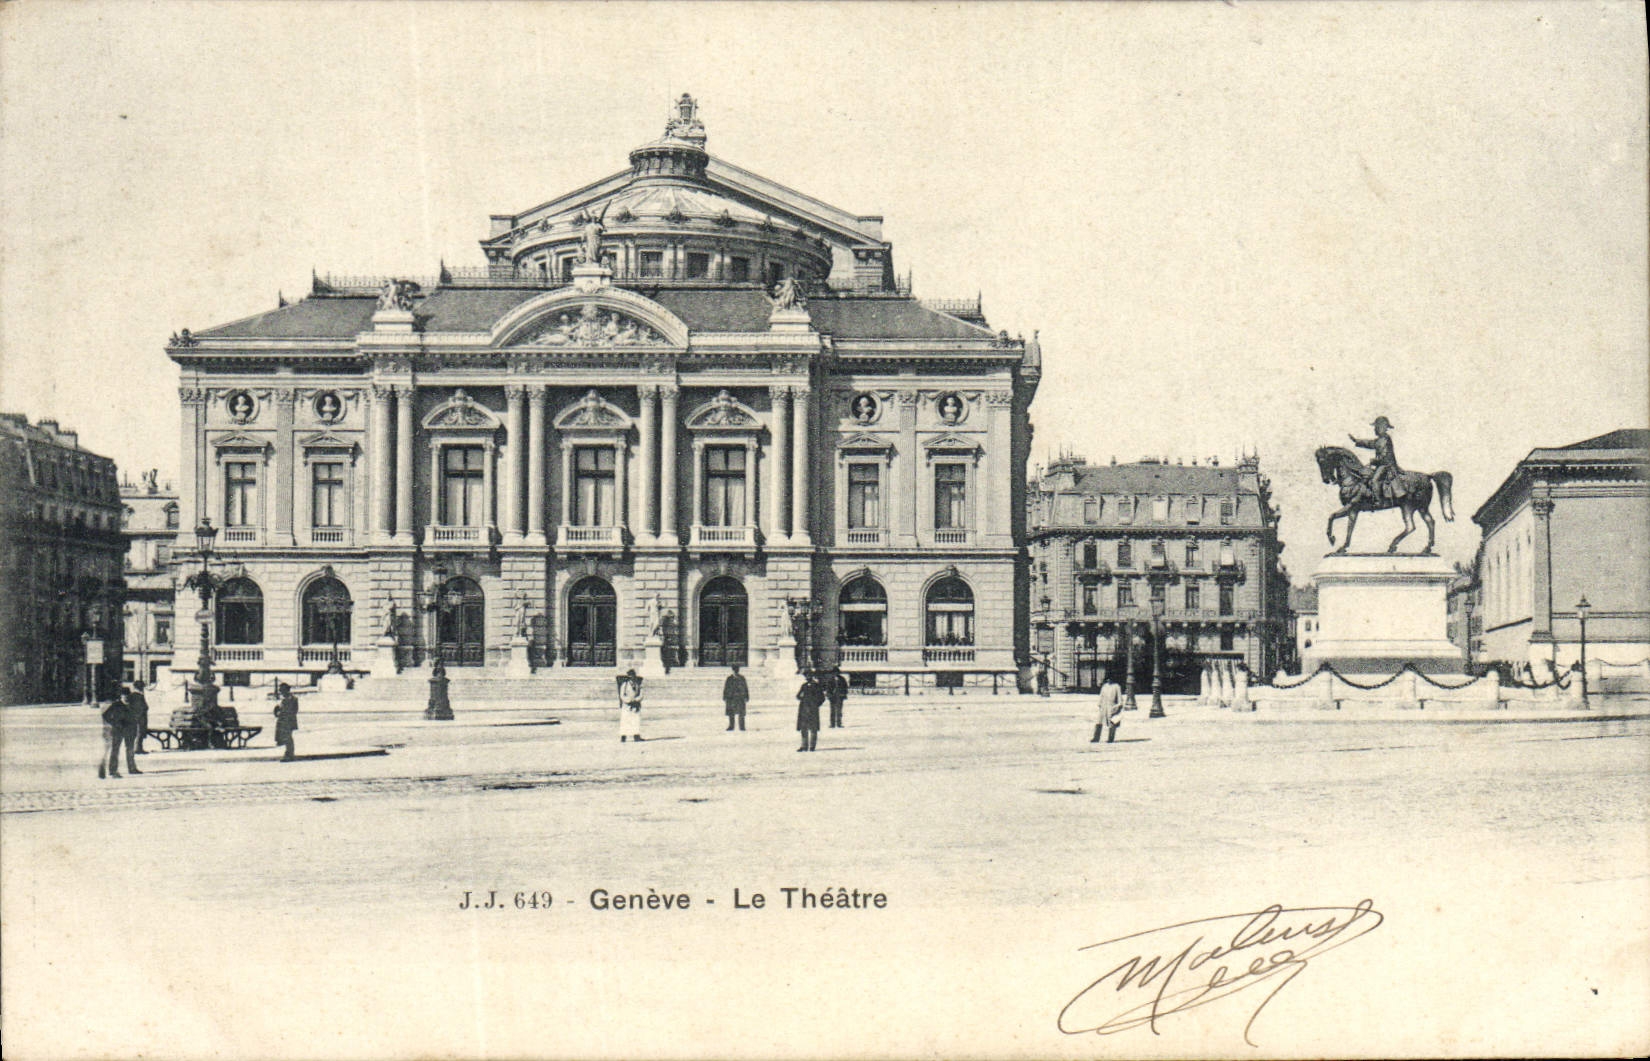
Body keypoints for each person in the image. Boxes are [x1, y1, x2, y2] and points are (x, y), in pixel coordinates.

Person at [1349, 416, 1401, 503]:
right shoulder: (1379, 440)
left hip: (1386, 465)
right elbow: (1369, 443)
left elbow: (1384, 456)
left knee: (1374, 480)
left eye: (1376, 427)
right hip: (1381, 464)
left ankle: (1378, 500)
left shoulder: (1385, 439)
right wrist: (1356, 441)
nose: (1375, 429)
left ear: (1382, 427)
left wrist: (1374, 461)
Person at [97, 693, 128, 779]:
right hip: (113, 731)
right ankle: (111, 771)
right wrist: (114, 723)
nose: (126, 698)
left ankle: (108, 770)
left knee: (114, 751)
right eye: (124, 696)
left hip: (117, 731)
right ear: (120, 697)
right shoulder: (117, 705)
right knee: (113, 751)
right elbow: (106, 715)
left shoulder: (124, 706)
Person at [1092, 671, 1124, 744]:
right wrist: (1099, 704)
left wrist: (1118, 706)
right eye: (1107, 679)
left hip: (1112, 707)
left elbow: (1120, 699)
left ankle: (1110, 738)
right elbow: (1101, 696)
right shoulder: (1104, 686)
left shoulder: (1116, 686)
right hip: (1103, 707)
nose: (1108, 680)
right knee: (1099, 722)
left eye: (1110, 679)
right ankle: (1096, 738)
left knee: (1112, 723)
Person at [795, 672, 823, 752]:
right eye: (806, 676)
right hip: (804, 710)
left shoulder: (816, 686)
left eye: (809, 676)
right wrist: (803, 699)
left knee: (813, 728)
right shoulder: (804, 686)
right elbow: (798, 695)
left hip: (813, 710)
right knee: (804, 728)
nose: (807, 677)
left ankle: (812, 746)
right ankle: (804, 745)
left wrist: (815, 704)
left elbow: (821, 698)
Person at [273, 682, 299, 761]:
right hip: (284, 721)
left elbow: (292, 710)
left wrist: (281, 712)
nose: (281, 693)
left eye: (282, 691)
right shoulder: (285, 699)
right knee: (286, 738)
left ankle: (289, 754)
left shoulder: (292, 699)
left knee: (288, 738)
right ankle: (288, 753)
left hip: (288, 721)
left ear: (286, 690)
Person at [617, 668, 644, 742]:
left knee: (635, 720)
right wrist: (628, 700)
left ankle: (636, 735)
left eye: (633, 676)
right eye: (630, 676)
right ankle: (623, 736)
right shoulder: (624, 685)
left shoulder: (638, 684)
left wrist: (636, 700)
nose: (632, 677)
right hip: (627, 706)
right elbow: (622, 695)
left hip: (635, 705)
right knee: (625, 720)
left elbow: (641, 694)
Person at [722, 663, 749, 731]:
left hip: (740, 697)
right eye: (735, 670)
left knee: (741, 713)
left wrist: (746, 696)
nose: (736, 671)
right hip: (731, 697)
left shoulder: (742, 678)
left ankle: (742, 726)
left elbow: (745, 687)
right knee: (731, 713)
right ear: (733, 670)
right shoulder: (729, 678)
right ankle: (731, 726)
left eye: (737, 670)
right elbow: (726, 688)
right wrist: (725, 696)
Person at [127, 679, 151, 754]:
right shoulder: (139, 696)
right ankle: (137, 749)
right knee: (139, 734)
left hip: (132, 717)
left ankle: (136, 748)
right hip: (140, 718)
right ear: (141, 688)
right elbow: (144, 707)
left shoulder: (131, 696)